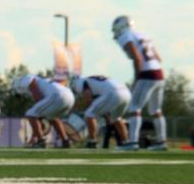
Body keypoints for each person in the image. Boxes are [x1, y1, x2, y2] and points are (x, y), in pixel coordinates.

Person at [112, 15, 167, 150]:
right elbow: (158, 58)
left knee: (134, 108)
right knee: (156, 110)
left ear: (121, 27)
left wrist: (137, 78)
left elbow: (137, 58)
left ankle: (132, 142)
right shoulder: (143, 35)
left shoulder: (126, 36)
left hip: (146, 73)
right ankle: (161, 142)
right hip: (159, 73)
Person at [12, 74, 75, 148]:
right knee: (52, 117)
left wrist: (37, 127)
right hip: (70, 97)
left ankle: (40, 141)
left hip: (58, 96)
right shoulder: (42, 82)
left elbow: (38, 97)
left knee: (30, 114)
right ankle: (66, 141)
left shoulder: (25, 80)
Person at [70, 75, 131, 148]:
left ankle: (92, 142)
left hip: (114, 93)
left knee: (89, 113)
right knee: (117, 118)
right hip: (126, 93)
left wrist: (91, 109)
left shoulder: (80, 82)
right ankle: (126, 142)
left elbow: (88, 96)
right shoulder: (93, 80)